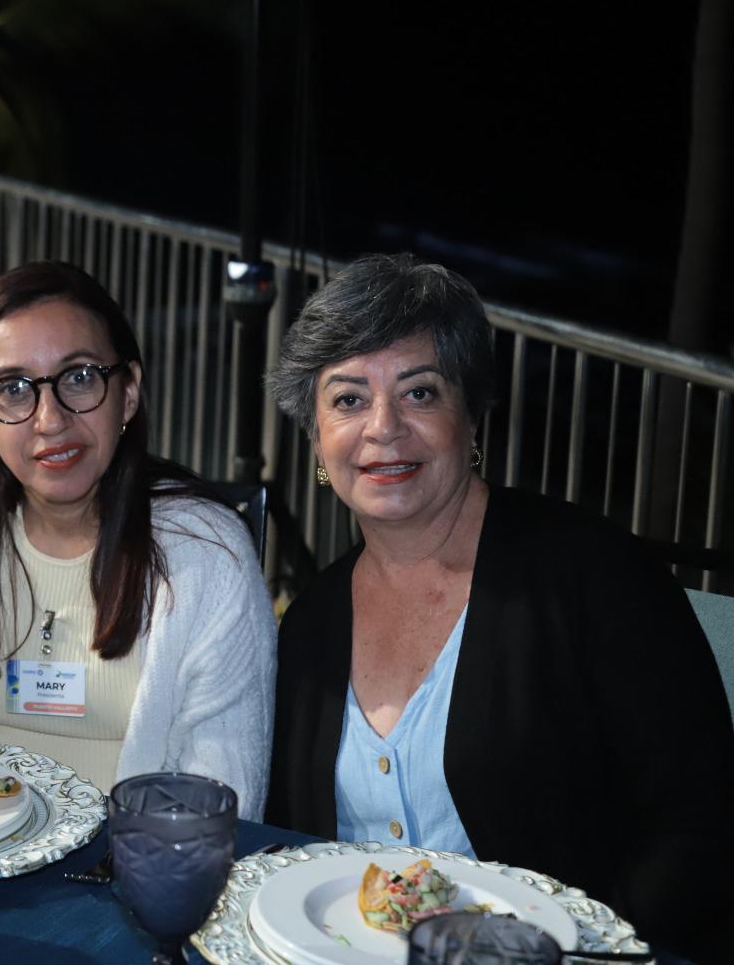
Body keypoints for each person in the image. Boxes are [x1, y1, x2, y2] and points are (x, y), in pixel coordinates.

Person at [263, 254, 734, 960]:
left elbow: (698, 825)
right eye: (349, 400)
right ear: (317, 440)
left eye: (420, 393)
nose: (383, 427)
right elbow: (293, 851)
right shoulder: (309, 626)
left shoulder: (594, 576)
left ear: (471, 418)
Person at [0, 261, 276, 811]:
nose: (50, 419)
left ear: (128, 392)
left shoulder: (208, 555)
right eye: (13, 389)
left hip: (132, 861)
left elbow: (223, 800)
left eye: (80, 377)